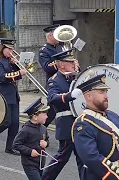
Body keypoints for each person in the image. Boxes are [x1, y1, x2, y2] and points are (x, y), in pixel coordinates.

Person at [72, 74, 119, 180]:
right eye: (101, 92)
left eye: (106, 91)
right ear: (88, 96)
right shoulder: (82, 124)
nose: (106, 96)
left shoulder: (112, 115)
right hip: (101, 176)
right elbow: (91, 157)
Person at [41, 49, 84, 180]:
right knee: (62, 157)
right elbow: (52, 98)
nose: (73, 64)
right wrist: (69, 95)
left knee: (84, 157)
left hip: (80, 122)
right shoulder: (54, 80)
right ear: (61, 64)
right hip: (66, 123)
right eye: (70, 62)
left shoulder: (75, 77)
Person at [13, 97, 50, 180]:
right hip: (29, 164)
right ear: (35, 117)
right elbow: (16, 144)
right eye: (44, 114)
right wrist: (30, 151)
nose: (47, 116)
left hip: (40, 163)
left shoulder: (43, 128)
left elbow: (47, 140)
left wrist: (46, 143)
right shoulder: (26, 130)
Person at [38, 24, 63, 127]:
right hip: (54, 82)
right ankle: (40, 129)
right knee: (52, 111)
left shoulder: (62, 47)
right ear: (50, 36)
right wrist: (61, 62)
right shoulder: (44, 51)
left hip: (65, 80)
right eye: (57, 34)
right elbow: (47, 67)